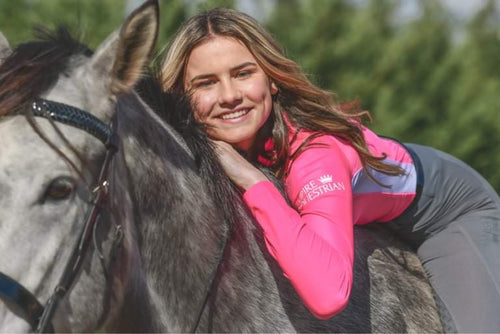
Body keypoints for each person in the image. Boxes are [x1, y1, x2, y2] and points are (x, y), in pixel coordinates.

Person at [161, 8, 500, 332]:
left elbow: (329, 296)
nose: (230, 95)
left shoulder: (313, 156)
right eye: (206, 83)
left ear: (272, 80)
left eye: (243, 73)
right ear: (181, 97)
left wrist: (251, 179)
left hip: (449, 210)